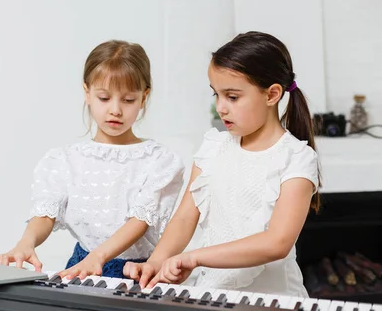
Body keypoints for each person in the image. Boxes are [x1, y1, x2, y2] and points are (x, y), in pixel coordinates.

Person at [124, 31, 321, 296]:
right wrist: (156, 262)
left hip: (274, 300)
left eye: (233, 96)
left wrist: (195, 257)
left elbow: (277, 243)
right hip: (215, 294)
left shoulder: (296, 158)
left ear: (272, 94)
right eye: (215, 95)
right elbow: (184, 218)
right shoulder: (213, 147)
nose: (221, 107)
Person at [0, 40, 185, 279]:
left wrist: (98, 256)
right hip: (82, 268)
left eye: (128, 100)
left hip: (136, 272)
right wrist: (27, 242)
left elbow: (139, 223)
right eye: (104, 98)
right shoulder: (65, 160)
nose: (115, 110)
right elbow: (46, 213)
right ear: (87, 93)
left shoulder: (158, 161)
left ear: (144, 97)